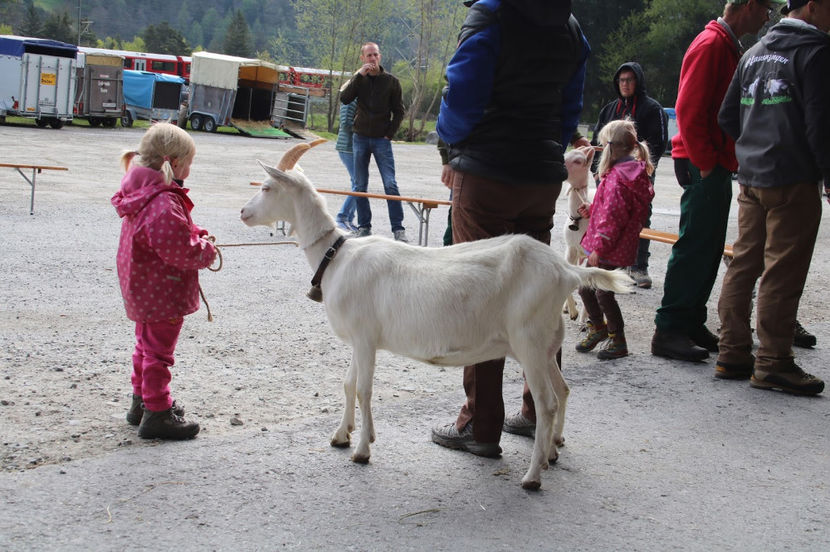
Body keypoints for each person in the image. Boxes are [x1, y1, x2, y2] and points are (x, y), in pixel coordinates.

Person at [431, 0, 590, 456]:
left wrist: (453, 145)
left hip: (485, 174)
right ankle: (537, 413)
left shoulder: (491, 16)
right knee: (537, 293)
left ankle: (479, 426)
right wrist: (544, 147)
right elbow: (570, 105)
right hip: (539, 176)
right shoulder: (571, 26)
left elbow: (460, 94)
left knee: (481, 297)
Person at [651, 0, 784, 362]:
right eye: (766, 9)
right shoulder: (711, 45)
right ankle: (670, 328)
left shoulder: (724, 45)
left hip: (710, 160)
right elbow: (688, 109)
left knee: (708, 246)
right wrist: (706, 162)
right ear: (749, 5)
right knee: (695, 244)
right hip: (702, 161)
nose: (767, 17)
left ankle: (691, 320)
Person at [714, 0, 829, 395]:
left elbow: (727, 116)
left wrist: (752, 145)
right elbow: (820, 124)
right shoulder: (815, 52)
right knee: (782, 271)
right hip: (792, 178)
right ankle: (774, 361)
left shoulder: (754, 52)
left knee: (744, 264)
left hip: (751, 177)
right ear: (812, 6)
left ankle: (732, 352)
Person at [112, 123, 217, 439]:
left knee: (145, 345)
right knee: (159, 352)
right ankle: (157, 412)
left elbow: (172, 232)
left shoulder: (143, 190)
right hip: (161, 289)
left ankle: (141, 403)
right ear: (171, 161)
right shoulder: (162, 201)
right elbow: (179, 250)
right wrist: (206, 251)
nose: (190, 169)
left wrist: (194, 232)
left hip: (142, 285)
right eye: (188, 162)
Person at [576, 120, 655, 360]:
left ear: (611, 148)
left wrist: (599, 248)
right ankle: (598, 327)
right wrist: (593, 208)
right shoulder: (625, 174)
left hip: (610, 246)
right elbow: (611, 209)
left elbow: (613, 218)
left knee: (602, 291)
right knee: (585, 285)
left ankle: (617, 339)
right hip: (614, 242)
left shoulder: (620, 179)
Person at [590, 62, 667, 289]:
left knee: (639, 219)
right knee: (608, 216)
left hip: (636, 175)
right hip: (608, 176)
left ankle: (639, 266)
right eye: (621, 80)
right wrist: (598, 172)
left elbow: (658, 144)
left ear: (638, 81)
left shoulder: (652, 109)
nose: (625, 84)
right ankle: (611, 263)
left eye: (629, 80)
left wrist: (640, 170)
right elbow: (598, 142)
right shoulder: (610, 109)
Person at [340, 42, 408, 242]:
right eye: (369, 55)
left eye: (375, 55)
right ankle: (364, 226)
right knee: (360, 185)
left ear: (380, 56)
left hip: (381, 140)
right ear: (362, 58)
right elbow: (344, 98)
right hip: (360, 137)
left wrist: (389, 133)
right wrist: (359, 75)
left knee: (390, 184)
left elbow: (399, 111)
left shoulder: (391, 82)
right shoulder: (358, 80)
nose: (372, 59)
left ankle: (398, 228)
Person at [334, 96, 359, 232]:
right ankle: (341, 217)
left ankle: (349, 219)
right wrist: (362, 128)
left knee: (358, 184)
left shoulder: (358, 98)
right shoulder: (350, 99)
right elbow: (345, 123)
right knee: (358, 184)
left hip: (354, 147)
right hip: (347, 147)